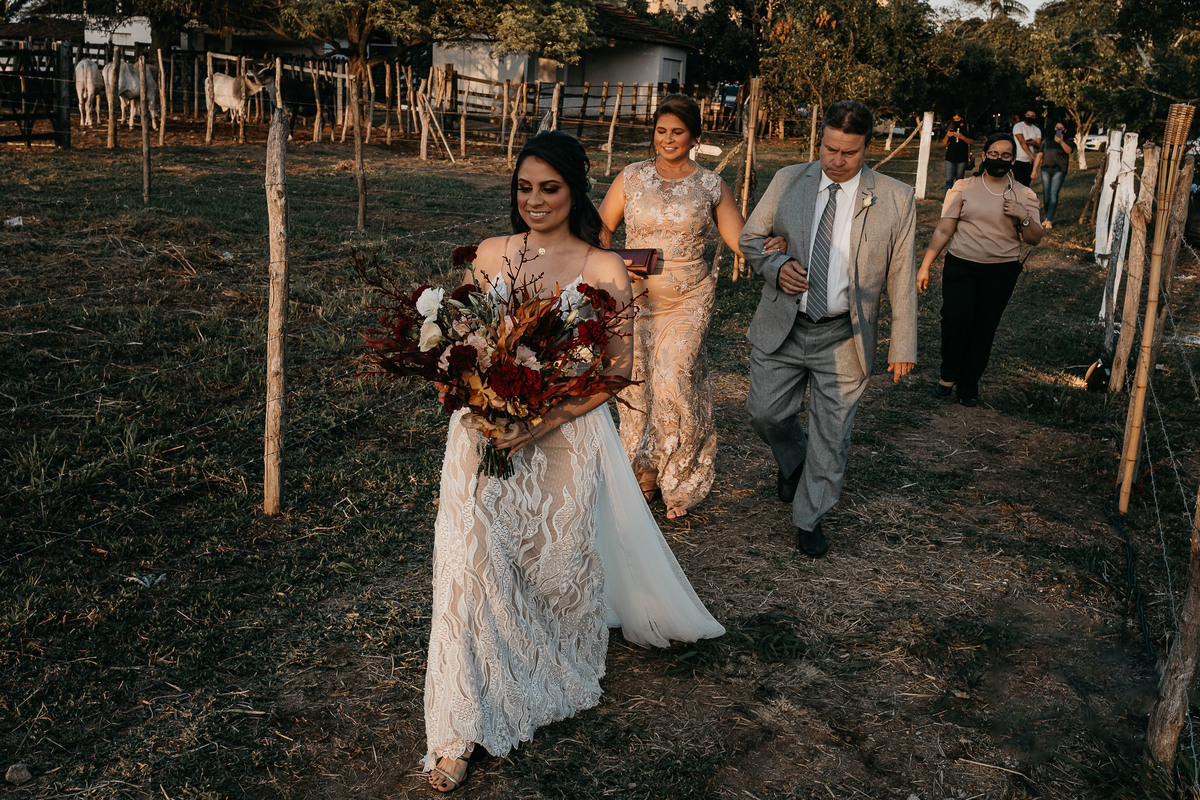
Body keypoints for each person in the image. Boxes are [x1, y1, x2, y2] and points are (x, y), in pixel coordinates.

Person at [423, 131, 725, 793]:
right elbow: (468, 339)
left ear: (575, 190)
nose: (534, 200)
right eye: (524, 188)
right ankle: (456, 728)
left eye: (549, 188)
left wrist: (539, 423)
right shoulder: (490, 255)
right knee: (466, 568)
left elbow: (614, 373)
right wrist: (465, 382)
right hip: (482, 435)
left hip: (560, 439)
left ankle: (534, 661)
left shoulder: (604, 269)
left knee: (544, 570)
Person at [738, 100, 918, 559]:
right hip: (785, 324)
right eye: (828, 148)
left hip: (844, 334)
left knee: (831, 432)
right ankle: (794, 460)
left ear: (867, 148)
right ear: (819, 140)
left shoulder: (895, 198)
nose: (837, 161)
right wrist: (775, 266)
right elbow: (750, 238)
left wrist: (903, 344)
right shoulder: (787, 181)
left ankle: (809, 516)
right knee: (765, 413)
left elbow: (901, 276)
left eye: (849, 152)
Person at [597, 95, 785, 520]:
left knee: (675, 376)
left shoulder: (710, 185)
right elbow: (603, 229)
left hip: (687, 296)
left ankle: (680, 476)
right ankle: (643, 475)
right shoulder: (631, 177)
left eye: (677, 132)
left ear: (694, 137)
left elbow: (739, 238)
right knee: (636, 382)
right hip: (634, 296)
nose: (667, 139)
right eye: (661, 131)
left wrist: (769, 245)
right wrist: (606, 270)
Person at [916, 132, 1044, 408]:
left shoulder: (1025, 194)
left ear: (1013, 159)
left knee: (984, 328)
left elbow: (1034, 238)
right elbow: (944, 228)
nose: (999, 159)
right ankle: (949, 373)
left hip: (1001, 272)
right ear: (984, 156)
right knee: (955, 319)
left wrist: (1022, 215)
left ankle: (969, 383)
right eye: (994, 154)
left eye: (1006, 155)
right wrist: (926, 265)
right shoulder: (963, 187)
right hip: (961, 266)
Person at [1039, 120, 1074, 228]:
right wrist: (1033, 170)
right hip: (1045, 169)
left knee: (1053, 194)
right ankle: (1047, 216)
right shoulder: (1047, 140)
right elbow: (1040, 154)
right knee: (1046, 196)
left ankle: (1049, 219)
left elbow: (1069, 151)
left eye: (1061, 128)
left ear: (1065, 130)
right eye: (1056, 128)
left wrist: (1061, 142)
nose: (1058, 130)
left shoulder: (1069, 140)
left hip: (1059, 170)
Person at [943, 111, 975, 192]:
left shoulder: (967, 127)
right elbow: (944, 143)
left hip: (962, 157)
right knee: (949, 181)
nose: (956, 120)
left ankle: (957, 199)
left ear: (962, 118)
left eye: (958, 118)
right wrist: (947, 135)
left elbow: (972, 142)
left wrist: (962, 137)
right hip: (950, 157)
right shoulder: (951, 126)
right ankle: (947, 200)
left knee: (959, 181)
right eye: (954, 119)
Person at [1011, 110, 1042, 187]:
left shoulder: (1037, 130)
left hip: (1030, 162)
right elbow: (1021, 141)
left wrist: (1033, 143)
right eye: (1028, 115)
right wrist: (1031, 154)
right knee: (1019, 185)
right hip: (1018, 160)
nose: (1029, 117)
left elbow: (1039, 145)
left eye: (1032, 116)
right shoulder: (1018, 126)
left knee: (1026, 185)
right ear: (1025, 115)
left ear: (1035, 117)